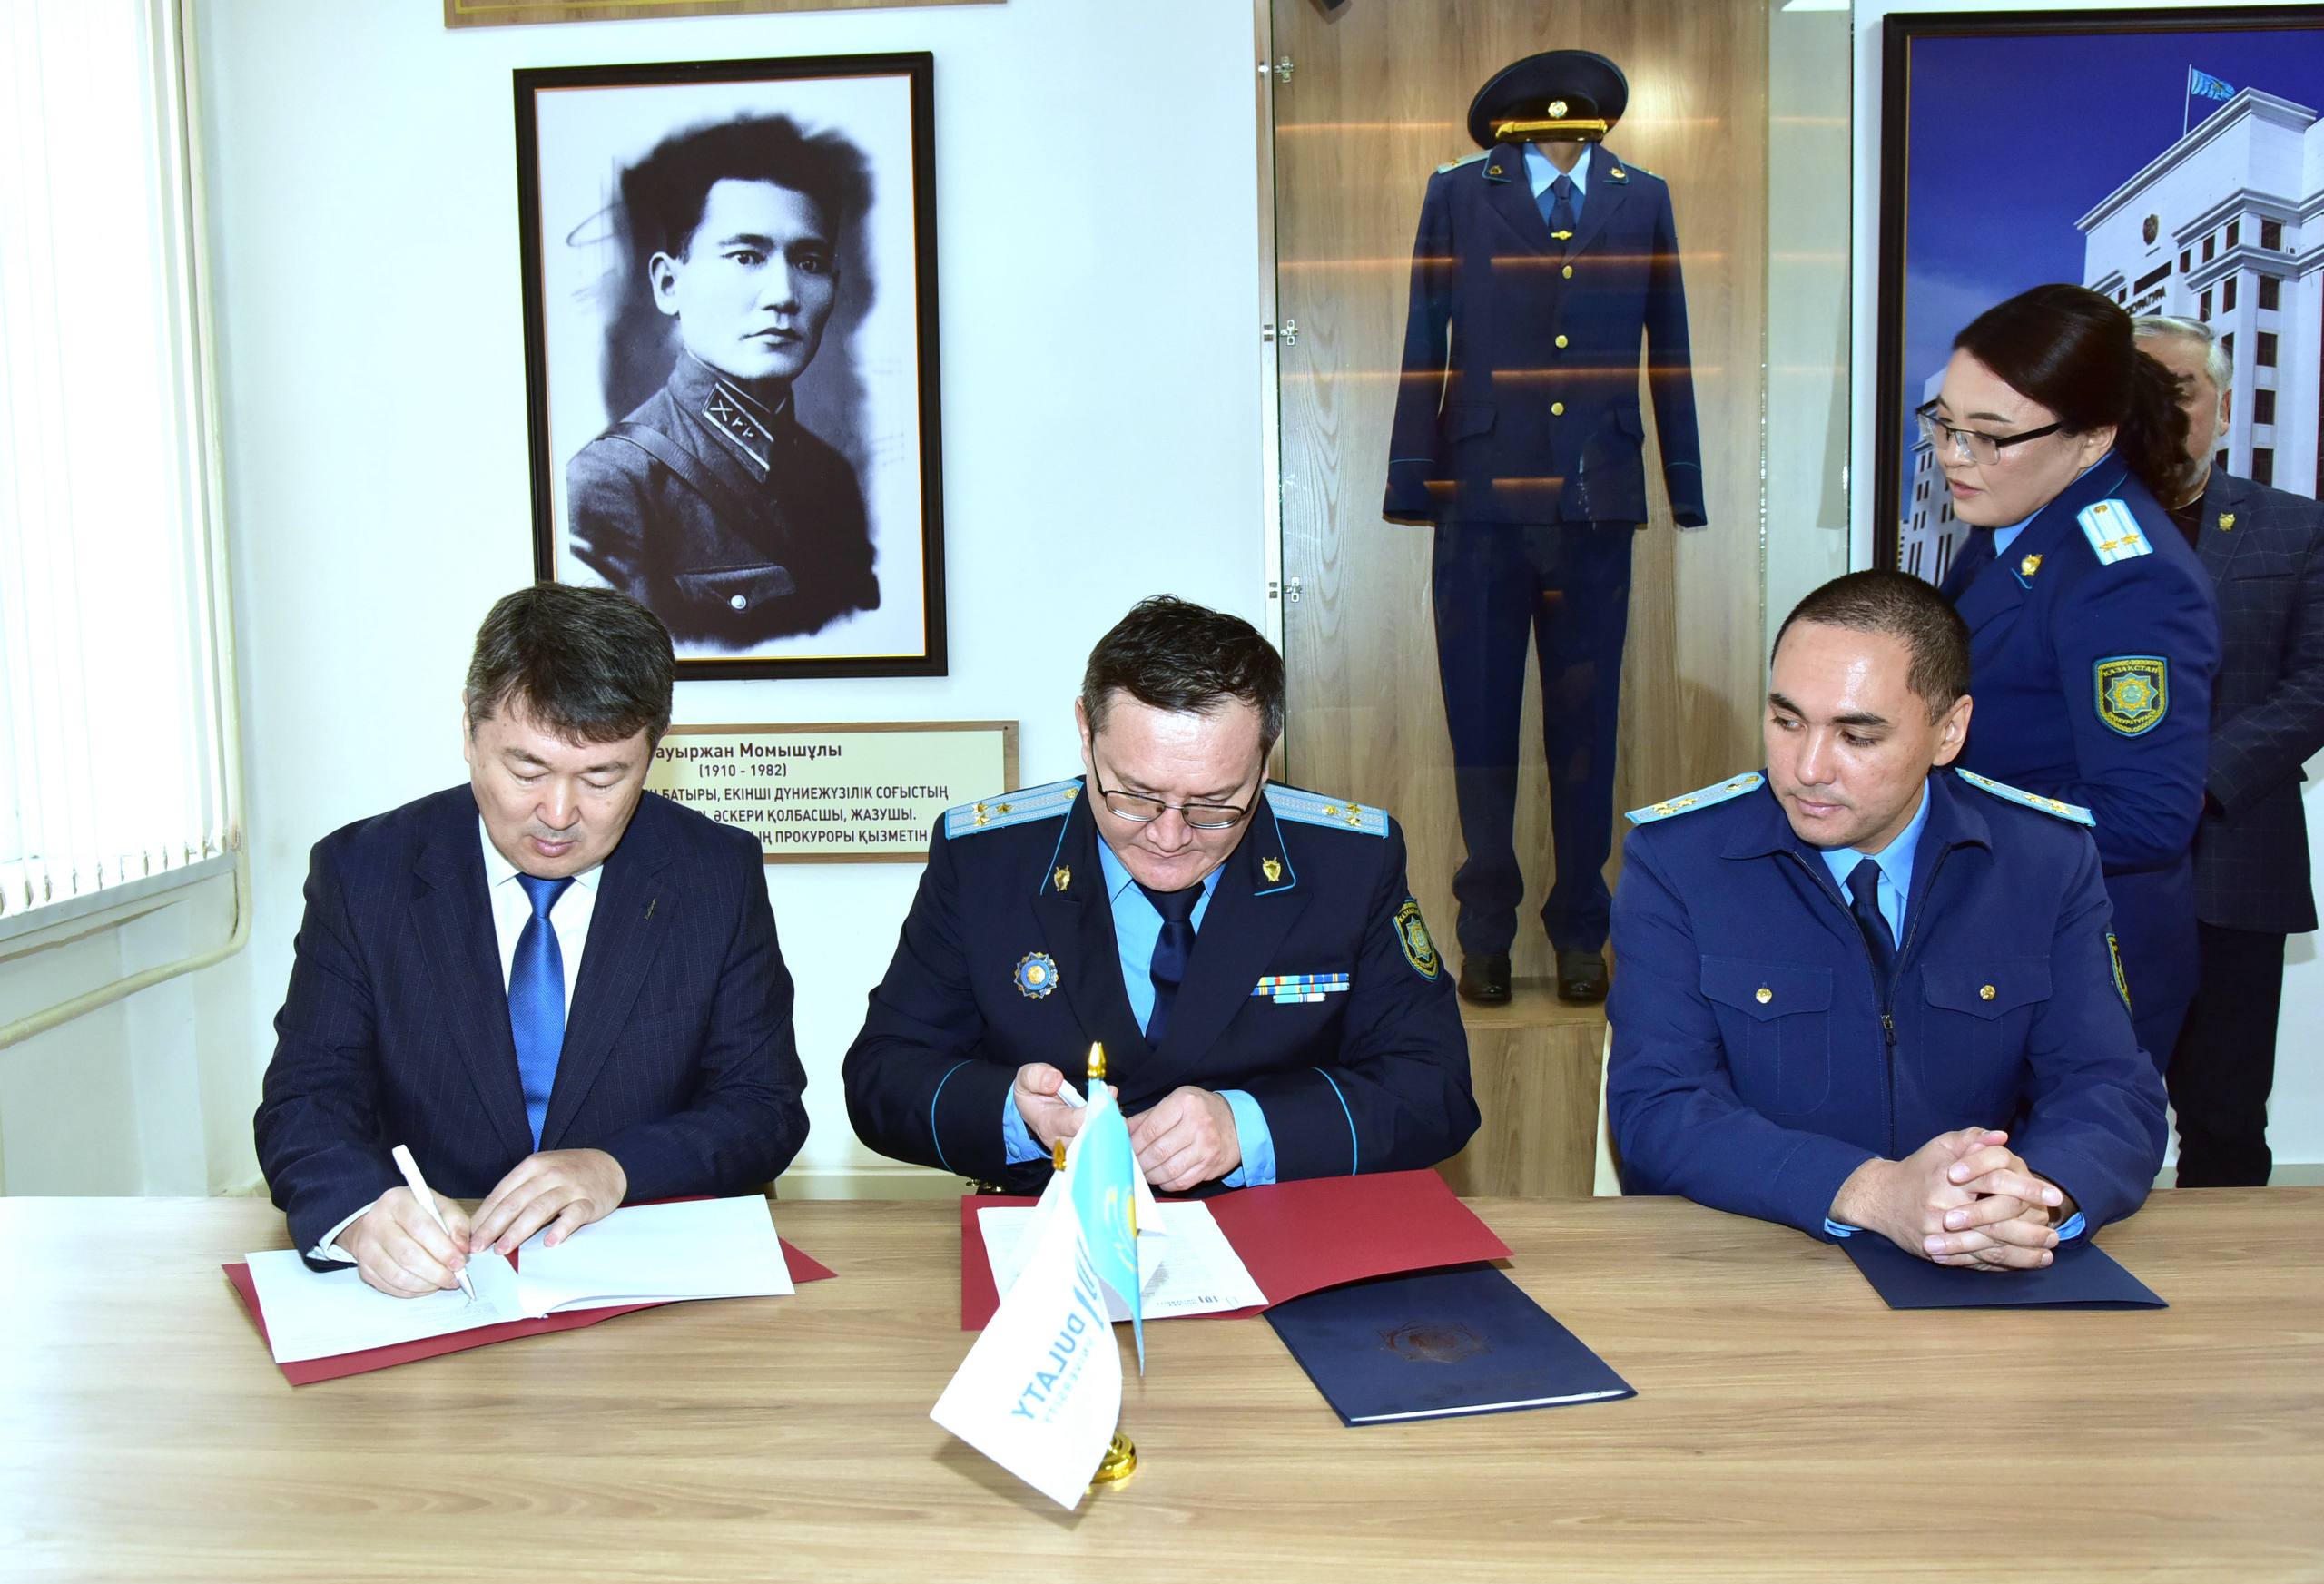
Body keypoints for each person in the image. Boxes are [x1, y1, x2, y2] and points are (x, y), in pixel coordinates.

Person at [255, 583, 810, 1297]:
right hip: (437, 1284)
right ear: (469, 731)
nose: (558, 812)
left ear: (652, 755)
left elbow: (763, 1106)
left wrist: (617, 1168)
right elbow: (306, 1101)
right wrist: (363, 1215)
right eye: (527, 770)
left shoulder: (713, 874)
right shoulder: (364, 874)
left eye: (602, 776)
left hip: (639, 1278)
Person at [1608, 571, 2167, 1266]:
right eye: (1786, 721)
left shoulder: (2043, 860)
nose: (1808, 767)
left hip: (1980, 1263)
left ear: (1949, 731)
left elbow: (2110, 1087)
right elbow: (1658, 1107)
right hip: (1757, 1259)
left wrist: (2032, 1198)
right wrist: (1871, 1191)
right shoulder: (1680, 860)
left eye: (1857, 736)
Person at [843, 595, 1478, 1193]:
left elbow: (1435, 1089)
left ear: (1265, 763)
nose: (1169, 837)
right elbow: (882, 1075)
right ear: (1086, 733)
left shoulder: (1350, 862)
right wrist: (1014, 1113)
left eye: (1214, 803)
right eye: (1136, 795)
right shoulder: (987, 860)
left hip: (1285, 1231)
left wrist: (1248, 1128)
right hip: (1052, 1232)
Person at [1383, 50, 1707, 1007]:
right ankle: (1484, 930)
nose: (1561, 141)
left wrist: (1682, 482)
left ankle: (1579, 928)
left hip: (1596, 503)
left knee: (1586, 729)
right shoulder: (1456, 194)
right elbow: (1423, 338)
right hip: (1479, 500)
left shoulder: (1643, 198)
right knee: (1479, 727)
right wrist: (1411, 479)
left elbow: (1671, 345)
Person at [1933, 283, 2220, 1070]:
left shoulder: (2125, 577)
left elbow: (2146, 815)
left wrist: (1924, 811)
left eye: (1991, 436)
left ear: (2093, 439)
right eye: (1946, 425)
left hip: (2075, 970)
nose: (1956, 455)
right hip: (2001, 943)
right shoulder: (2018, 513)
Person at [2133, 315, 2324, 1186]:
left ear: (2223, 405)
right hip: (2086, 871)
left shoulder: (2297, 528)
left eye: (2180, 389)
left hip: (2234, 858)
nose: (2158, 409)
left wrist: (2192, 782)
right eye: (2135, 390)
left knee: (2226, 1122)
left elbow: (2316, 684)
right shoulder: (2059, 529)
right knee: (2062, 1109)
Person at [568, 114, 879, 650]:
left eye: (808, 261)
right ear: (669, 284)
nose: (783, 294)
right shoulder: (612, 483)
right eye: (746, 257)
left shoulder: (832, 478)